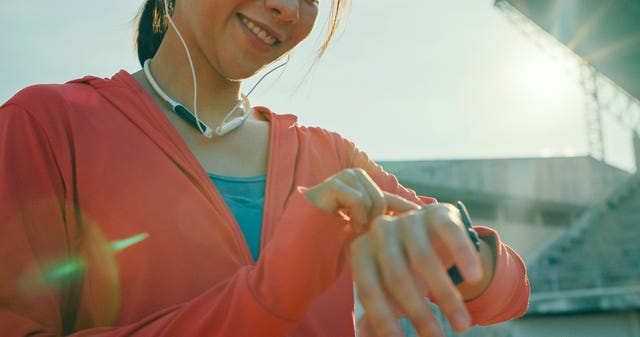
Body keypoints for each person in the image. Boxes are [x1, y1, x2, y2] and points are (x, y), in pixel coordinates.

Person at [0, 0, 529, 336]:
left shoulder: (331, 157)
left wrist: (459, 247)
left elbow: (504, 295)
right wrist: (269, 294)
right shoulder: (45, 126)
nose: (288, 8)